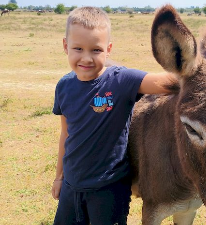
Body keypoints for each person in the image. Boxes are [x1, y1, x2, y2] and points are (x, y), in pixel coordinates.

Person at [51, 6, 173, 225]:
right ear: (65, 46)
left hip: (108, 190)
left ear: (108, 49)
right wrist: (59, 178)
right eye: (78, 48)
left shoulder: (122, 81)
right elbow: (65, 134)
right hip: (71, 186)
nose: (86, 58)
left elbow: (168, 83)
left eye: (96, 50)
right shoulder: (64, 86)